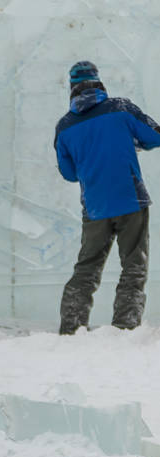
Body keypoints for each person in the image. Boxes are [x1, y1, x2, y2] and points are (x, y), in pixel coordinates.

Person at [55, 60, 160, 334]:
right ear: (98, 81)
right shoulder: (120, 108)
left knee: (86, 268)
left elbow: (68, 173)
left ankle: (71, 328)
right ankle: (125, 327)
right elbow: (154, 136)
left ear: (72, 88)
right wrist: (131, 143)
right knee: (133, 266)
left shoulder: (64, 127)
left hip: (95, 206)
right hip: (130, 200)